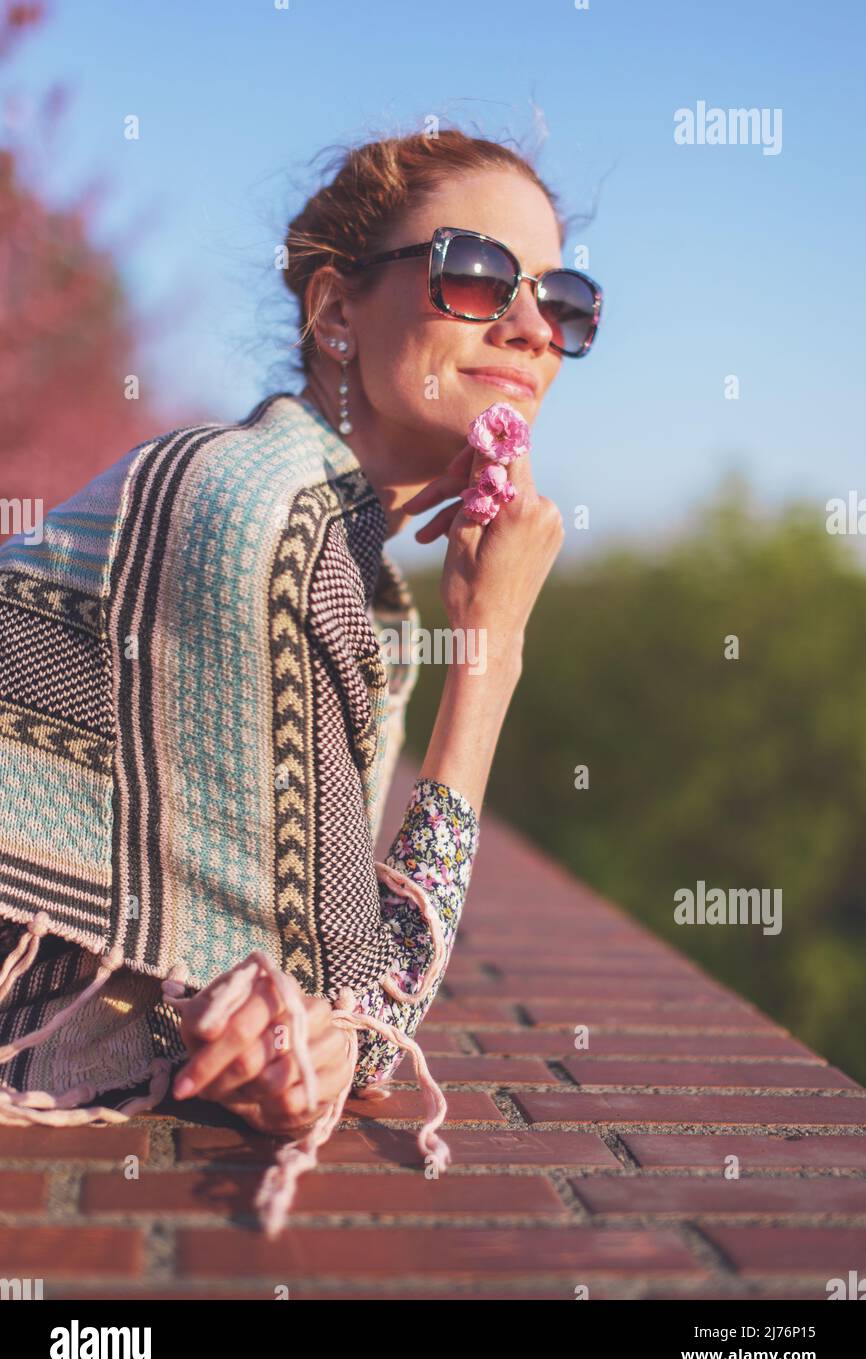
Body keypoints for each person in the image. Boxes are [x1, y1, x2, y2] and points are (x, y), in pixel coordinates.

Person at [0, 127, 601, 1208]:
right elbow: (374, 1022)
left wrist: (293, 1020)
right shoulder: (266, 516)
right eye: (471, 275)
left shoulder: (357, 580)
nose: (527, 328)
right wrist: (493, 649)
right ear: (334, 313)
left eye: (562, 301)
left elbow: (331, 1000)